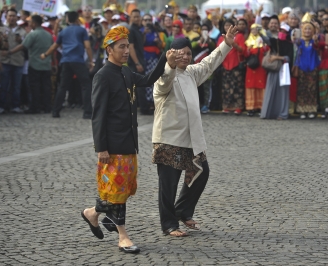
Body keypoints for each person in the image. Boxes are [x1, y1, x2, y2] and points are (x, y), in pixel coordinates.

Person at [81, 26, 169, 253]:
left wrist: (165, 57)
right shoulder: (102, 75)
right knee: (117, 193)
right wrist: (101, 148)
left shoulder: (126, 72)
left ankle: (92, 213)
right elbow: (97, 115)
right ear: (109, 49)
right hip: (112, 146)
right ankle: (123, 237)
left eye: (127, 46)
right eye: (121, 47)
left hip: (129, 142)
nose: (126, 51)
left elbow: (149, 79)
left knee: (122, 190)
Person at [152, 26, 237, 237]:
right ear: (171, 54)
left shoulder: (191, 73)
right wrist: (169, 67)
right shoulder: (163, 75)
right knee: (168, 185)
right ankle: (169, 224)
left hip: (191, 138)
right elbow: (162, 87)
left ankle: (182, 210)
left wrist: (226, 44)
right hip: (169, 138)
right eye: (180, 53)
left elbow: (209, 63)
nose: (186, 56)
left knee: (201, 172)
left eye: (189, 53)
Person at [41, 11, 93, 119]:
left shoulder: (64, 31)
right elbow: (87, 46)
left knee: (62, 87)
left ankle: (56, 111)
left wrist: (45, 54)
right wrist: (91, 61)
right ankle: (87, 112)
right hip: (78, 61)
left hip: (66, 61)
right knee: (86, 85)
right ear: (77, 19)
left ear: (67, 19)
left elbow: (55, 46)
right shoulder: (82, 30)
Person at [7, 15, 54, 114]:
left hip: (35, 65)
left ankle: (35, 107)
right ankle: (47, 107)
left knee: (34, 87)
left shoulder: (32, 35)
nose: (29, 24)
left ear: (34, 23)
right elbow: (52, 49)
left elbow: (23, 46)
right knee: (46, 87)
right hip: (46, 65)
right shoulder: (48, 34)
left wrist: (10, 52)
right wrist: (54, 63)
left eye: (30, 22)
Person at [260, 19, 294, 120]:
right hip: (274, 69)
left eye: (284, 32)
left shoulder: (289, 44)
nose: (282, 33)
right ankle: (268, 112)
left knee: (283, 92)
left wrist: (277, 57)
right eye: (281, 31)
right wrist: (260, 32)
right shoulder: (276, 42)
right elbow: (267, 40)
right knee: (271, 90)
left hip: (284, 70)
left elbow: (288, 58)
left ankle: (283, 114)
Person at [0, 8, 26, 114]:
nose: (11, 18)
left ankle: (15, 105)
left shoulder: (22, 31)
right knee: (4, 85)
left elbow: (25, 45)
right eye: (9, 16)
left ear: (17, 17)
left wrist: (20, 40)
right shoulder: (1, 29)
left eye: (13, 16)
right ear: (6, 17)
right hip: (4, 61)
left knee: (16, 86)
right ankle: (1, 106)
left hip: (18, 61)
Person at [218, 19, 246, 115]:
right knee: (226, 87)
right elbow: (218, 51)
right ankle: (227, 106)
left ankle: (238, 107)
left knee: (237, 87)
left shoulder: (239, 36)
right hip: (225, 65)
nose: (227, 27)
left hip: (236, 64)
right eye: (226, 25)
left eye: (230, 25)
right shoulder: (221, 38)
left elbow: (243, 50)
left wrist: (233, 43)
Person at [295, 22, 320, 119]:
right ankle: (302, 110)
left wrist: (316, 38)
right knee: (302, 90)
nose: (307, 31)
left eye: (310, 29)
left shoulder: (315, 41)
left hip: (313, 67)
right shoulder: (299, 41)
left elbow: (319, 47)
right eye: (305, 29)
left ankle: (311, 110)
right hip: (301, 68)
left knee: (312, 90)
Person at [244, 23, 269, 117]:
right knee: (251, 85)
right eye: (252, 29)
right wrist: (248, 50)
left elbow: (266, 51)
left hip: (260, 67)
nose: (254, 31)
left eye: (256, 29)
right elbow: (245, 55)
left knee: (261, 85)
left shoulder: (263, 40)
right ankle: (251, 108)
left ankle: (261, 107)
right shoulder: (248, 41)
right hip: (251, 67)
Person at [127, 9, 148, 115]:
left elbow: (140, 44)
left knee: (139, 86)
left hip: (140, 60)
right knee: (138, 86)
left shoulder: (139, 29)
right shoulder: (131, 30)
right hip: (136, 62)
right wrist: (137, 63)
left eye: (138, 16)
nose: (136, 18)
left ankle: (141, 107)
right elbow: (131, 48)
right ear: (131, 18)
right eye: (134, 16)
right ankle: (143, 109)